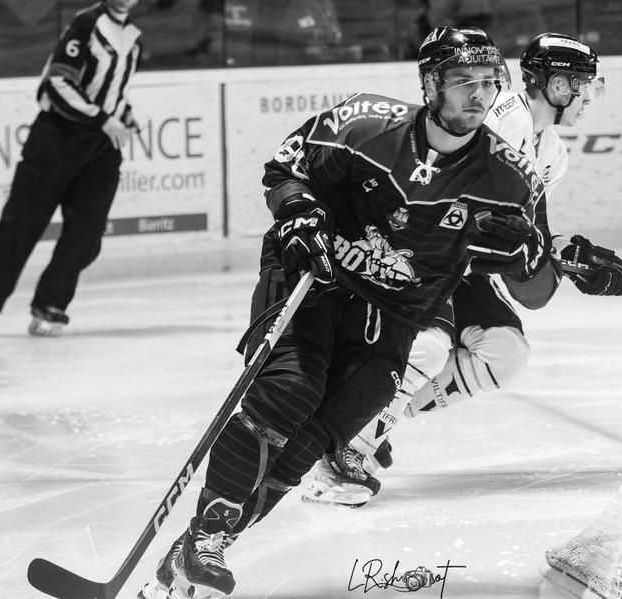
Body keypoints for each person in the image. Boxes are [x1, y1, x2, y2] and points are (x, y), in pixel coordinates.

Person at [139, 26, 555, 599]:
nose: (478, 94)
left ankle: (198, 549)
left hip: (396, 311)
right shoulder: (367, 124)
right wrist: (298, 212)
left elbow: (528, 274)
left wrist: (530, 255)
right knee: (289, 391)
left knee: (313, 440)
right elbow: (285, 167)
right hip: (317, 277)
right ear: (430, 84)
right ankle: (207, 537)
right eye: (463, 81)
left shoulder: (508, 177)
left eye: (488, 82)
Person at [301, 33, 622, 508]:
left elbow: (523, 246)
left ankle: (364, 419)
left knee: (505, 353)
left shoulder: (553, 154)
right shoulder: (502, 118)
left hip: (464, 263)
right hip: (418, 249)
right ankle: (342, 445)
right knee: (429, 346)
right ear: (559, 85)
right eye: (586, 87)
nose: (590, 98)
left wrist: (573, 257)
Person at [0, 0, 142, 338]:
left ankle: (50, 303)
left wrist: (125, 116)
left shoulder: (133, 37)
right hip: (57, 137)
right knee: (21, 223)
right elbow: (58, 83)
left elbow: (113, 92)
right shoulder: (86, 24)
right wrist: (103, 119)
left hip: (100, 147)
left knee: (88, 232)